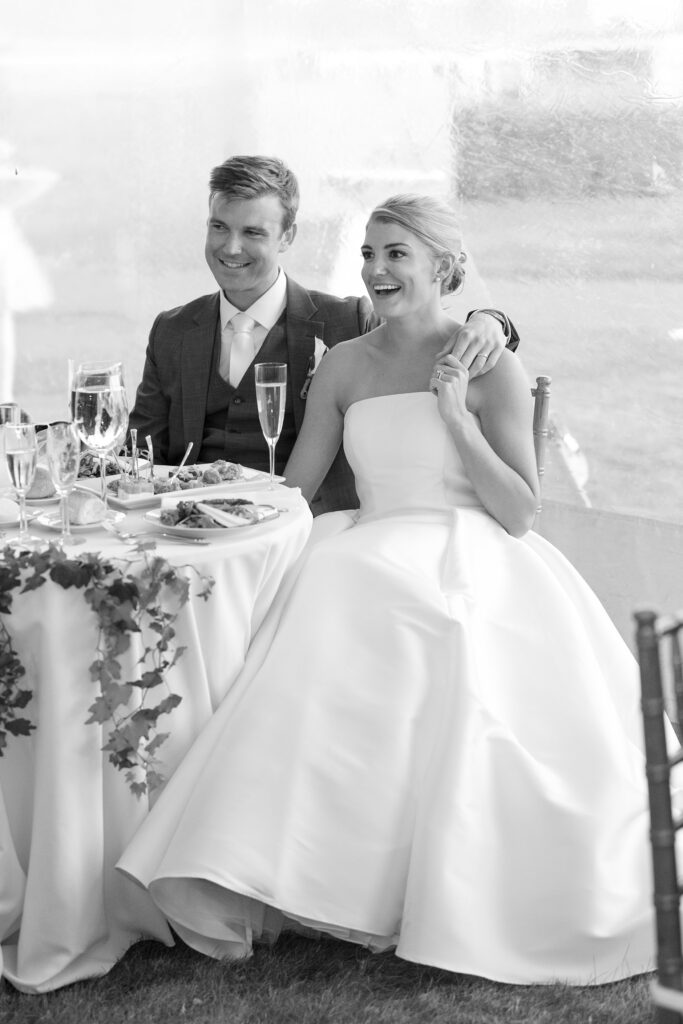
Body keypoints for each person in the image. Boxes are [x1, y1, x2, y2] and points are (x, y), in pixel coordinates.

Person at [118, 194, 656, 985]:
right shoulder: (342, 363)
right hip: (369, 537)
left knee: (382, 598)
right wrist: (206, 507)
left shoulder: (486, 362)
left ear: (442, 266)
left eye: (396, 254)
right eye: (369, 253)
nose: (374, 269)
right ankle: (289, 863)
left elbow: (518, 512)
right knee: (333, 581)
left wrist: (456, 415)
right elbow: (295, 490)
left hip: (471, 545)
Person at [128, 155, 519, 513]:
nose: (231, 247)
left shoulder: (347, 320)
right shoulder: (173, 330)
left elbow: (418, 332)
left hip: (310, 523)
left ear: (287, 236)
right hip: (188, 527)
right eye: (219, 227)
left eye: (252, 232)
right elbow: (138, 452)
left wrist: (490, 320)